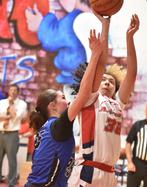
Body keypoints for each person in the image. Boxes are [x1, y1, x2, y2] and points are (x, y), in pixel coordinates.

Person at [67, 13, 140, 186]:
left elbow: (132, 72)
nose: (107, 82)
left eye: (111, 81)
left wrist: (129, 37)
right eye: (103, 80)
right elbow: (101, 63)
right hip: (88, 170)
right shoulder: (91, 99)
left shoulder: (118, 104)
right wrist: (105, 26)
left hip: (109, 173)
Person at [25, 28, 103, 186]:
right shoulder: (58, 125)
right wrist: (95, 55)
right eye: (62, 97)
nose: (67, 101)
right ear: (52, 106)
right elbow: (83, 94)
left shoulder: (46, 129)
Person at [0, 84, 27, 187]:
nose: (12, 92)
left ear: (18, 92)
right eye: (11, 90)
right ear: (8, 91)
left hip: (12, 134)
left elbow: (15, 117)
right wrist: (6, 117)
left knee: (12, 162)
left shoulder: (22, 104)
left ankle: (11, 184)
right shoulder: (2, 102)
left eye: (15, 90)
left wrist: (11, 104)